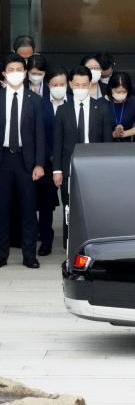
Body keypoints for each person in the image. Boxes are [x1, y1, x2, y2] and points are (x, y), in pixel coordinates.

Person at [52, 66, 113, 247]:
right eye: (77, 85)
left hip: (95, 167)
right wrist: (57, 169)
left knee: (93, 207)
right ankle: (68, 244)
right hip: (69, 166)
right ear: (71, 85)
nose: (80, 88)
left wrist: (107, 169)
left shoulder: (101, 108)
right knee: (69, 207)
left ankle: (92, 243)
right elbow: (58, 143)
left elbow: (107, 142)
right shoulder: (63, 110)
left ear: (90, 84)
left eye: (84, 85)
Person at [0, 54, 45, 268]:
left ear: (25, 72)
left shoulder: (34, 99)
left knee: (28, 210)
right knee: (2, 210)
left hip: (26, 162)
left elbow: (40, 135)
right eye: (11, 69)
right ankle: (2, 254)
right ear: (4, 73)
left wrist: (39, 164)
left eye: (19, 69)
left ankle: (29, 256)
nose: (16, 73)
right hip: (3, 159)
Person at [35, 67, 67, 256]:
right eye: (55, 85)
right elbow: (38, 133)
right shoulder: (40, 104)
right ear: (48, 85)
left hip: (69, 160)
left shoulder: (74, 102)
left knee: (70, 203)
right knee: (46, 204)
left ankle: (68, 240)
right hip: (47, 161)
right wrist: (49, 155)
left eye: (62, 84)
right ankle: (46, 241)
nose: (58, 88)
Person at [106, 72, 135, 142]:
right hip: (105, 145)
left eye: (124, 92)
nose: (121, 94)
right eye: (118, 92)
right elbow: (96, 131)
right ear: (111, 89)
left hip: (126, 145)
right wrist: (113, 134)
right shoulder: (102, 102)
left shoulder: (133, 101)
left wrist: (124, 134)